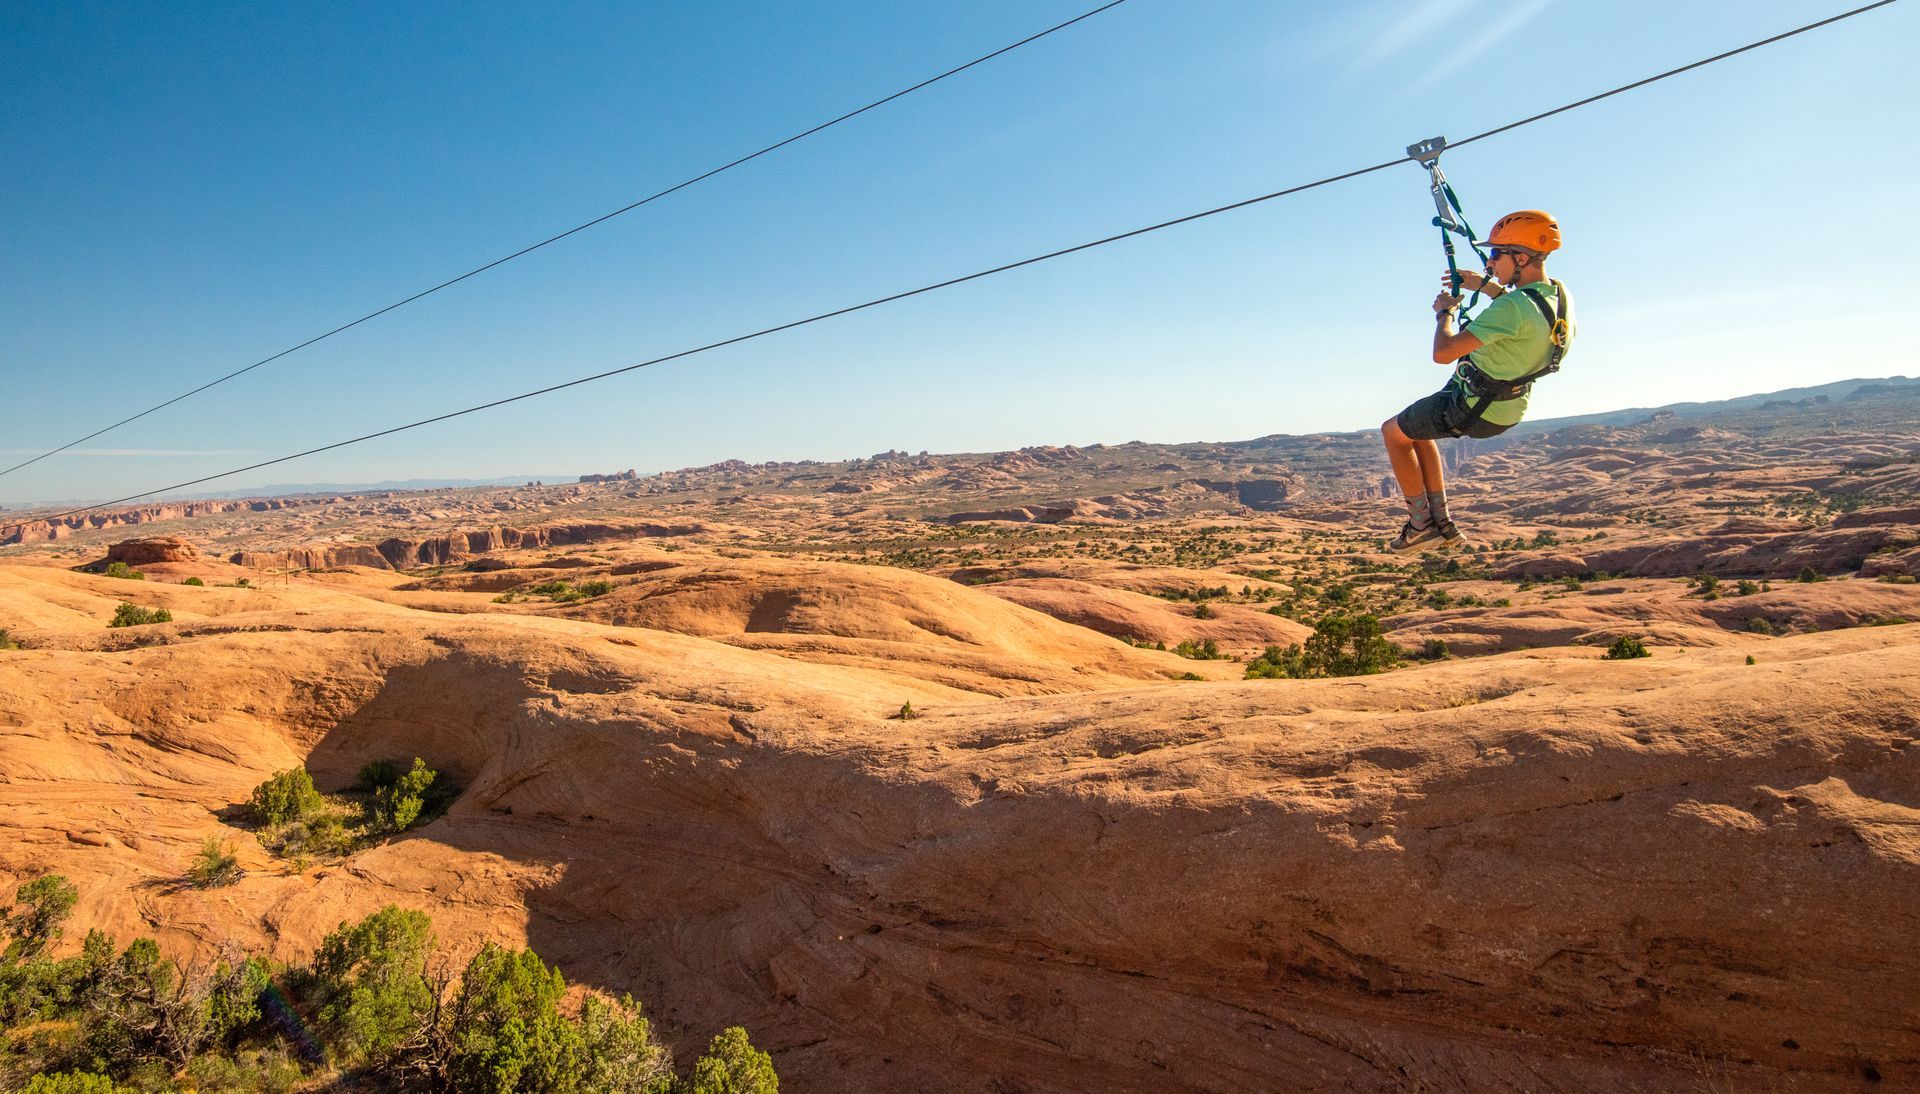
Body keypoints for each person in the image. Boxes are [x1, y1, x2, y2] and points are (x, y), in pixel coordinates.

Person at [1380, 209, 1574, 552]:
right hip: (1508, 406)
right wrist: (1485, 287)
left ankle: (1421, 524)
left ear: (1522, 257)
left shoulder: (1512, 309)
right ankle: (1441, 522)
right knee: (1418, 433)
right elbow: (1525, 313)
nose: (1490, 261)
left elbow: (1444, 352)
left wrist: (1445, 314)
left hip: (1474, 406)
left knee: (1393, 433)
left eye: (1497, 253)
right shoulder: (1558, 295)